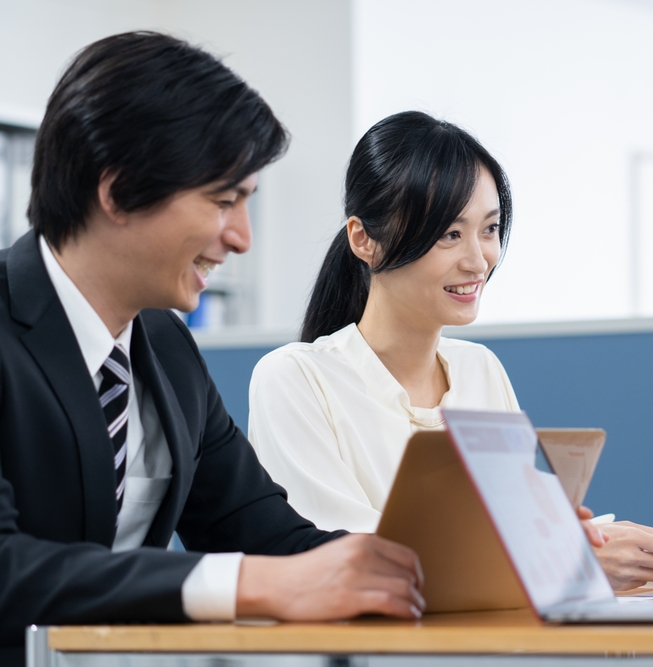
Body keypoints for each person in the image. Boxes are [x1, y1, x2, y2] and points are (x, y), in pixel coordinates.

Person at [0, 31, 426, 664]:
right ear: (116, 192)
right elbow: (9, 569)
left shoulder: (167, 349)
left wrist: (494, 560)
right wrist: (250, 585)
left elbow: (273, 540)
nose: (243, 239)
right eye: (224, 201)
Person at [249, 111, 653, 591]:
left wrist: (581, 539)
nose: (478, 261)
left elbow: (509, 541)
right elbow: (348, 561)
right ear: (364, 239)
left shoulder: (480, 370)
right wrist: (562, 557)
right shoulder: (295, 379)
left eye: (490, 229)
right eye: (449, 234)